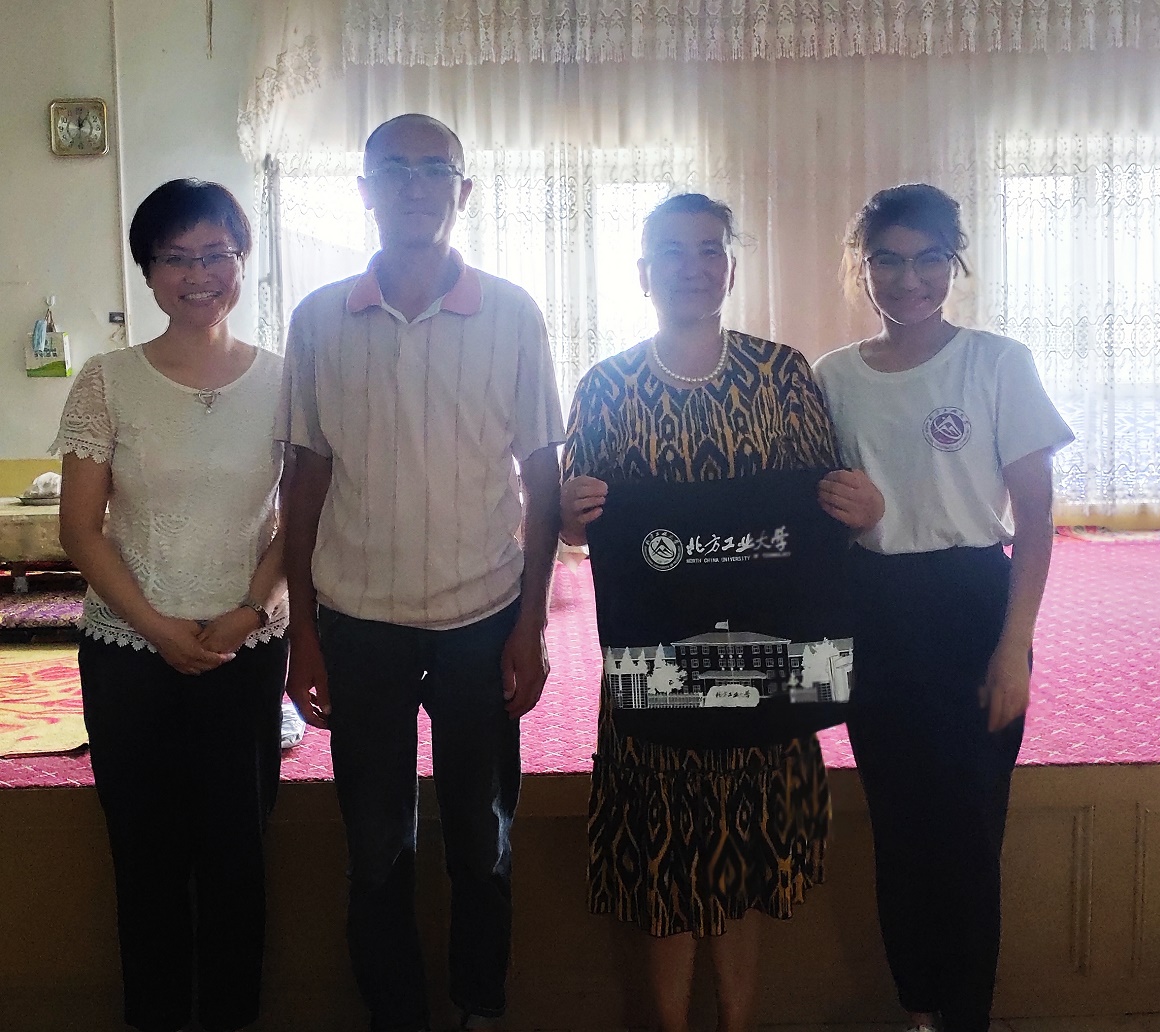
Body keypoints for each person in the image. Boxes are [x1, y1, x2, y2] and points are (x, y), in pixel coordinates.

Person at [560, 193, 882, 1032]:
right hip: (655, 668)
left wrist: (862, 508)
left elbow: (818, 515)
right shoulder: (606, 387)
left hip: (765, 661)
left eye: (709, 250)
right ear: (643, 273)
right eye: (671, 251)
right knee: (664, 862)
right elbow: (577, 530)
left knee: (744, 859)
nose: (692, 267)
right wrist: (570, 515)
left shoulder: (782, 375)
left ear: (730, 269)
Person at [276, 113, 563, 1032]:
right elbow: (304, 479)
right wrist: (304, 632)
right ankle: (394, 1014)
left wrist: (531, 623)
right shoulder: (320, 318)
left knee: (483, 839)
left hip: (483, 616)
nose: (413, 186)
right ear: (364, 190)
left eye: (434, 170)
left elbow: (543, 480)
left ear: (463, 190)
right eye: (393, 170)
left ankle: (481, 1007)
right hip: (360, 622)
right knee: (375, 847)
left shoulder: (512, 313)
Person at [813, 183, 1075, 1032]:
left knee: (967, 835)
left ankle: (965, 1017)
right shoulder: (833, 377)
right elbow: (809, 506)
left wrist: (1014, 646)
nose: (908, 278)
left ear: (954, 263)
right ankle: (918, 1010)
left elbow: (1035, 517)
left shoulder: (997, 363)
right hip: (875, 612)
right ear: (863, 267)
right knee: (899, 828)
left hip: (971, 607)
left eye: (928, 258)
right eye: (887, 260)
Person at [55, 178, 289, 1032]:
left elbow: (299, 523)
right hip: (128, 656)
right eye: (176, 257)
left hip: (245, 650)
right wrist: (155, 628)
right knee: (145, 859)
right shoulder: (107, 380)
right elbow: (80, 529)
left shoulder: (286, 381)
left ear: (243, 261)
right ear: (149, 271)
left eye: (216, 253)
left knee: (238, 856)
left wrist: (250, 612)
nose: (199, 274)